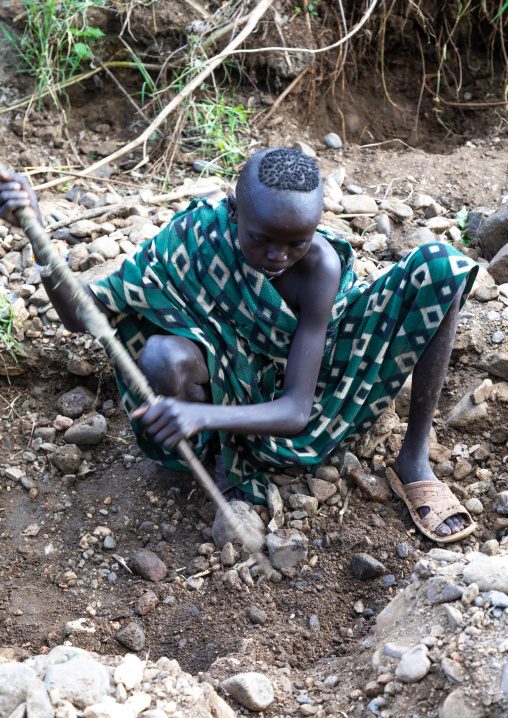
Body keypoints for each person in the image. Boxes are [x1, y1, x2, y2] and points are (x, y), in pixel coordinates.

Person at [0, 148, 479, 542]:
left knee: (441, 265)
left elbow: (296, 411)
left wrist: (200, 413)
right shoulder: (194, 237)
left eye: (297, 242)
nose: (278, 256)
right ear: (233, 212)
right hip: (227, 373)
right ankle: (221, 460)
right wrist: (37, 233)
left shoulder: (319, 269)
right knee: (162, 355)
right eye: (262, 239)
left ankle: (414, 458)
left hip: (317, 383)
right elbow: (82, 316)